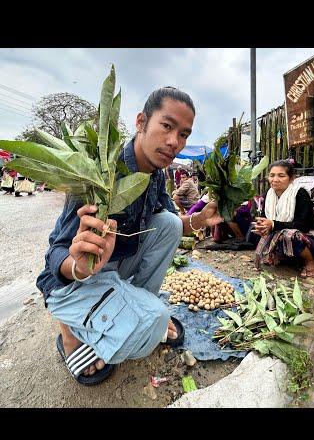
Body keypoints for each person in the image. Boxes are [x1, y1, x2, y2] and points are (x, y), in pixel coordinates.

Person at [36, 86, 224, 385]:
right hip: (72, 281)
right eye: (166, 126)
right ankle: (69, 330)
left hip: (113, 269)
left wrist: (198, 220)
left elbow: (173, 222)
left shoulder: (156, 174)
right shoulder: (103, 174)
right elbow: (56, 252)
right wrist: (78, 267)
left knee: (169, 224)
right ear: (141, 122)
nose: (175, 141)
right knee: (156, 320)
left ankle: (134, 308)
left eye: (184, 134)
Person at [253, 160, 314, 278]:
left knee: (290, 235)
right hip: (283, 232)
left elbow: (303, 225)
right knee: (256, 229)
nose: (275, 179)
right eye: (272, 175)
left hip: (308, 238)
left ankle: (311, 261)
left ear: (291, 178)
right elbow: (265, 218)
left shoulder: (300, 193)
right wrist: (262, 225)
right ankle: (282, 255)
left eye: (281, 175)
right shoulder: (269, 194)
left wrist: (273, 224)